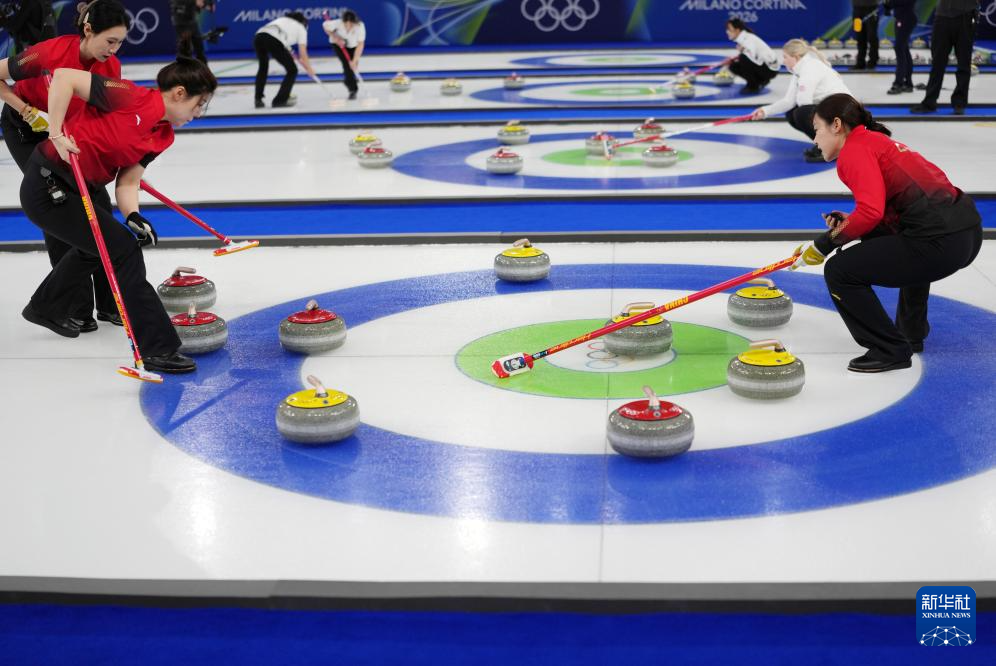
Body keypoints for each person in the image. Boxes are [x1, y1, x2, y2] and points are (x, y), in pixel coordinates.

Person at [14, 57, 217, 373]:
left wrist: (133, 215)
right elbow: (64, 77)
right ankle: (157, 348)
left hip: (82, 188)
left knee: (101, 246)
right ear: (179, 93)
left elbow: (128, 181)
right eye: (199, 104)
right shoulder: (128, 95)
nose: (198, 113)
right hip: (48, 185)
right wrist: (55, 133)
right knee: (123, 250)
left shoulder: (163, 136)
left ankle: (47, 306)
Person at [790, 93, 982, 373]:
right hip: (966, 233)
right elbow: (886, 212)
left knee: (839, 271)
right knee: (899, 239)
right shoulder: (874, 140)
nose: (815, 140)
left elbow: (870, 213)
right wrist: (849, 223)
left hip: (940, 241)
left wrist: (823, 245)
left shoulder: (853, 152)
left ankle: (889, 349)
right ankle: (910, 333)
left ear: (836, 125)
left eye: (817, 130)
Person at [0, 0, 127, 333]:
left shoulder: (111, 67)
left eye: (119, 43)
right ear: (88, 30)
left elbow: (105, 113)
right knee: (59, 206)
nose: (114, 50)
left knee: (99, 205)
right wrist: (26, 111)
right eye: (109, 41)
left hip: (68, 132)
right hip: (27, 129)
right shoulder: (49, 52)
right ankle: (73, 307)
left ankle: (110, 302)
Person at [750, 39, 851, 163]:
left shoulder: (810, 69)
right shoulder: (800, 70)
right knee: (792, 113)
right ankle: (825, 145)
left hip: (844, 116)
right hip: (836, 113)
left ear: (796, 57)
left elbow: (804, 102)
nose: (783, 61)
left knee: (801, 113)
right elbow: (788, 101)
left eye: (785, 57)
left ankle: (835, 147)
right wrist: (764, 111)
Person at [911, 0, 980, 114]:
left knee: (964, 63)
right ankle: (930, 101)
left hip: (966, 16)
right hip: (942, 16)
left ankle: (959, 103)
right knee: (937, 63)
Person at [253, 11, 316, 109]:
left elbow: (283, 45)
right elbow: (302, 51)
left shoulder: (283, 20)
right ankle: (280, 100)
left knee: (263, 67)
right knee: (292, 70)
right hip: (273, 40)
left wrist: (300, 60)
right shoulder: (301, 28)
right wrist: (309, 69)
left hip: (258, 36)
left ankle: (258, 99)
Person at [724, 18, 779, 95]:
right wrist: (733, 59)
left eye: (729, 29)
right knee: (733, 66)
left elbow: (755, 58)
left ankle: (753, 85)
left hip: (770, 69)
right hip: (765, 66)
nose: (727, 31)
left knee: (743, 58)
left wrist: (743, 51)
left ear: (737, 30)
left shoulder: (747, 39)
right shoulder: (743, 38)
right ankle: (760, 81)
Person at [322, 9, 365, 100]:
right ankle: (353, 90)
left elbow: (360, 44)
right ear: (343, 21)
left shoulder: (360, 26)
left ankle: (347, 81)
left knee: (353, 66)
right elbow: (325, 26)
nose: (348, 26)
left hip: (353, 46)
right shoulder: (337, 23)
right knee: (347, 65)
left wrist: (355, 60)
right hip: (338, 45)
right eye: (346, 24)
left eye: (351, 24)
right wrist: (335, 37)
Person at [884, 0, 916, 94]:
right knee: (903, 49)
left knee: (900, 48)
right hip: (900, 18)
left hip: (906, 19)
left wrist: (890, 3)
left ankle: (899, 83)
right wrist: (887, 6)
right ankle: (908, 83)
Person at [169, 0, 206, 64]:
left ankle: (203, 66)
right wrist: (195, 2)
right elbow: (176, 2)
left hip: (192, 21)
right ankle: (184, 67)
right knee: (184, 47)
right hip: (180, 21)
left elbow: (199, 4)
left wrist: (206, 5)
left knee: (199, 45)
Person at [851, 0, 880, 70]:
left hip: (871, 8)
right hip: (856, 8)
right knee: (859, 36)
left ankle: (873, 61)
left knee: (872, 36)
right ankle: (860, 62)